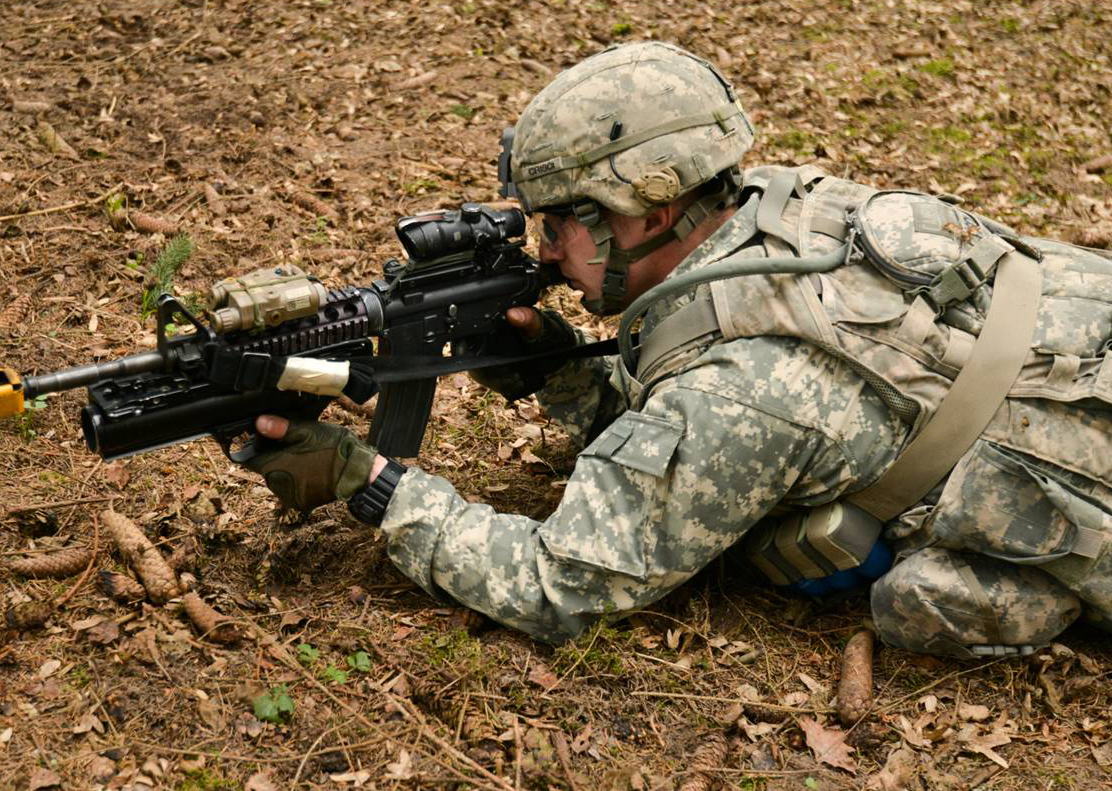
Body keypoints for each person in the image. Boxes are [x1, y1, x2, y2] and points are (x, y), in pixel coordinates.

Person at [245, 42, 1112, 660]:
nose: (542, 251)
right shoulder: (782, 212)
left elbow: (560, 583)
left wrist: (373, 486)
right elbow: (690, 402)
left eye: (558, 223)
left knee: (918, 606)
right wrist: (558, 368)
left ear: (650, 213)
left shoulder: (744, 387)